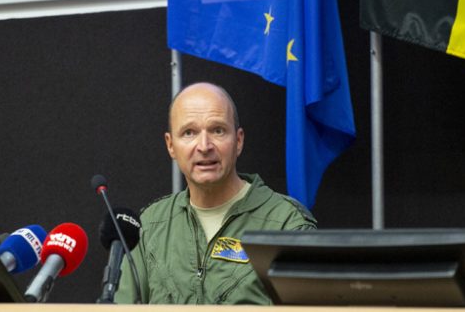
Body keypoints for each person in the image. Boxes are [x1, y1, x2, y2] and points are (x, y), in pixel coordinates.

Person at [114, 82, 315, 304]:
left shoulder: (286, 224)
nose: (204, 146)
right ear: (171, 145)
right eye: (189, 132)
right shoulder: (149, 227)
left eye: (217, 130)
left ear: (238, 141)